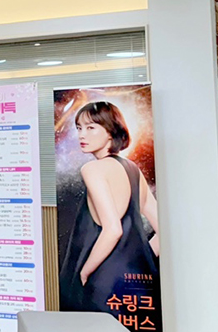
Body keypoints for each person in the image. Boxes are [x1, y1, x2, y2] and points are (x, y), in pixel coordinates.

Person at [60, 101, 160, 311]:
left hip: (102, 281)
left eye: (91, 127)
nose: (82, 135)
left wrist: (84, 272)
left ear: (110, 131)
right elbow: (165, 230)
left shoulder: (93, 169)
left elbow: (113, 229)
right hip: (138, 282)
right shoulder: (133, 169)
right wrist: (143, 258)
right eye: (79, 128)